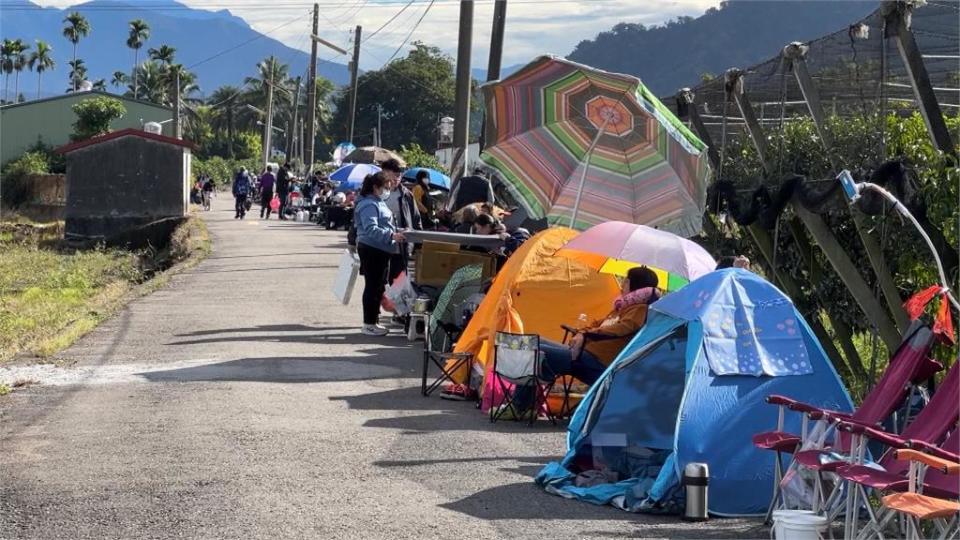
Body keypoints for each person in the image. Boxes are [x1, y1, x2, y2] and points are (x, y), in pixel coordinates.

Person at [498, 266, 662, 420]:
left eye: (626, 281)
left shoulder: (640, 309)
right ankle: (527, 405)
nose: (623, 284)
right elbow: (599, 323)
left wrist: (587, 335)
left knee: (537, 350)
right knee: (534, 341)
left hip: (598, 362)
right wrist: (583, 332)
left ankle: (520, 407)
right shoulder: (624, 306)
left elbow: (621, 329)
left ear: (635, 284)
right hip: (584, 353)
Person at [355, 172, 406, 336]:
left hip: (382, 249)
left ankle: (373, 321)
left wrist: (396, 232)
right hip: (372, 249)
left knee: (378, 287)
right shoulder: (369, 204)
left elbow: (385, 224)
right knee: (372, 286)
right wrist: (391, 235)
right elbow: (371, 229)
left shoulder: (378, 201)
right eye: (385, 187)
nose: (388, 190)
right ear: (376, 187)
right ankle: (369, 323)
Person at [380, 158, 422, 283]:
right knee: (378, 283)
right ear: (384, 174)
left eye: (398, 176)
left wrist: (417, 244)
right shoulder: (376, 192)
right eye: (392, 177)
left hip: (400, 247)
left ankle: (394, 303)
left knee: (397, 283)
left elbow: (416, 219)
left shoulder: (406, 195)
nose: (395, 180)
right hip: (379, 244)